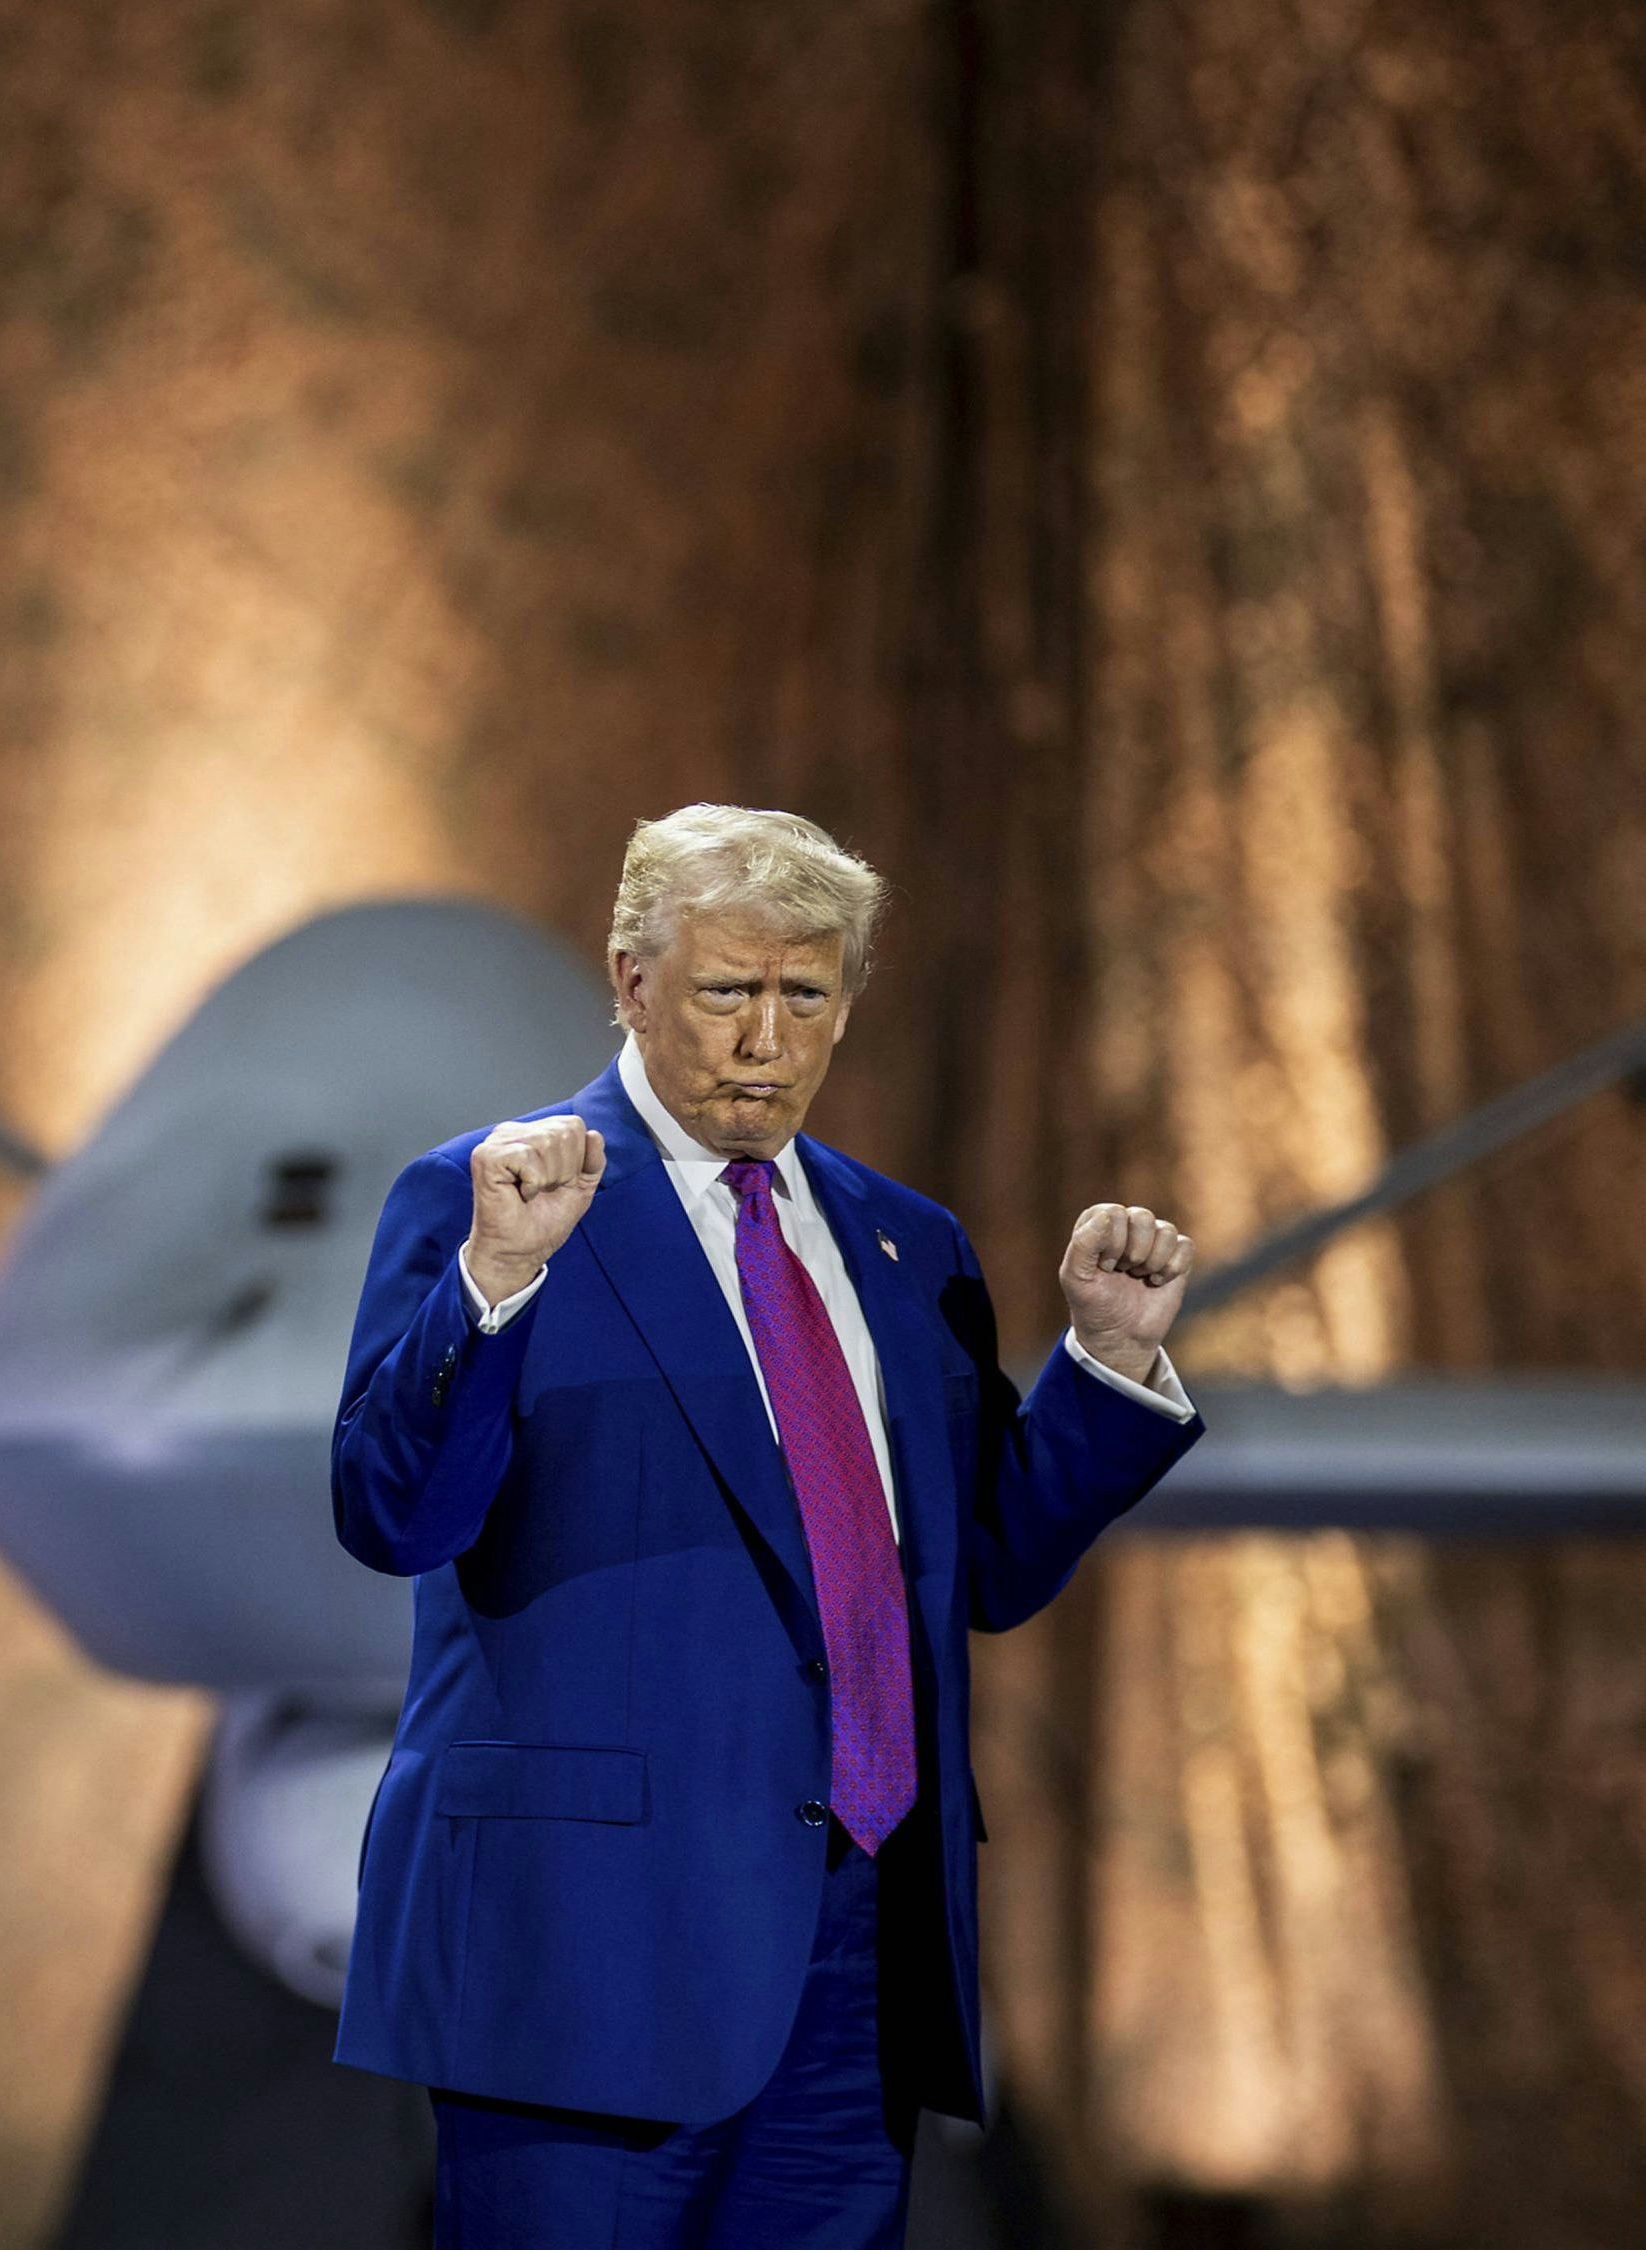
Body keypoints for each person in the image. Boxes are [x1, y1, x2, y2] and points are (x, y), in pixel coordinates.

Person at [329, 804, 1202, 2247]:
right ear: (631, 980)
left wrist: (1103, 1366)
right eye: (729, 990)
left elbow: (980, 1564)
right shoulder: (490, 1198)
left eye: (807, 995)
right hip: (589, 1961)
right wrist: (489, 1286)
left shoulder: (905, 1244)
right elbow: (393, 1511)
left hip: (856, 1962)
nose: (766, 1038)